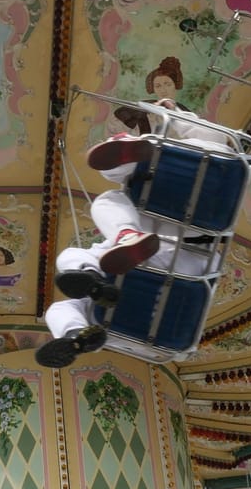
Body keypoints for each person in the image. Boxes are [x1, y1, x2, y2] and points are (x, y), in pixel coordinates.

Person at [37, 103, 236, 369]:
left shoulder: (168, 155)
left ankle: (83, 314)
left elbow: (212, 140)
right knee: (117, 201)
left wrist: (168, 114)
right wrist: (174, 114)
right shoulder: (223, 151)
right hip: (192, 255)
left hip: (139, 289)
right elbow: (219, 138)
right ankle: (97, 283)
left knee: (106, 206)